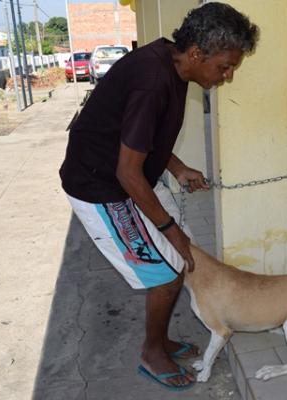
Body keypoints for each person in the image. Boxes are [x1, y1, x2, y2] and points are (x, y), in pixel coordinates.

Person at [59, 3, 258, 391]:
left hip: (125, 180)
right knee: (166, 273)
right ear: (198, 53)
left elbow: (140, 136)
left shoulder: (172, 63)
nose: (228, 76)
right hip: (101, 187)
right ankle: (152, 354)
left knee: (176, 262)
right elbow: (127, 171)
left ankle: (162, 340)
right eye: (225, 66)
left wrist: (177, 167)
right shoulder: (153, 78)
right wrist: (168, 229)